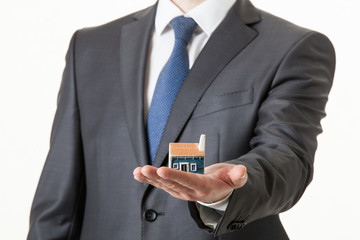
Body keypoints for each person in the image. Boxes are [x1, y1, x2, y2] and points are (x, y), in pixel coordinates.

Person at [27, 0, 336, 239]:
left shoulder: (293, 47)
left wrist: (228, 190)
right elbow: (59, 191)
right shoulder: (91, 45)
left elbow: (287, 160)